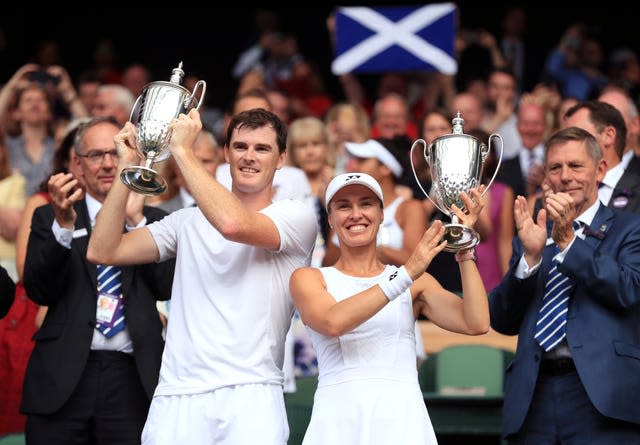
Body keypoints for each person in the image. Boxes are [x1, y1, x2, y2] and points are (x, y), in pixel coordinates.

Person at [87, 108, 317, 444]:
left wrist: (182, 151)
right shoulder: (186, 222)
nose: (249, 157)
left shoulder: (296, 215)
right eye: (240, 147)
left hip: (251, 392)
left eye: (262, 149)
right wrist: (127, 167)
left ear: (281, 158)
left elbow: (232, 225)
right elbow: (104, 251)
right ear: (226, 154)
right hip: (177, 394)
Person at [290, 172, 489, 445]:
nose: (356, 214)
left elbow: (476, 322)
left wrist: (464, 248)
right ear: (331, 219)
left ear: (383, 214)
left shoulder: (415, 282)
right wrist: (405, 274)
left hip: (403, 421)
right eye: (344, 206)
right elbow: (332, 322)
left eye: (366, 204)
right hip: (338, 421)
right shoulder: (310, 278)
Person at [21, 116, 175, 445]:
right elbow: (39, 290)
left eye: (115, 154)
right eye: (95, 155)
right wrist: (63, 227)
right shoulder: (50, 215)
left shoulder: (156, 220)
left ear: (131, 156)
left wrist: (136, 222)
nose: (107, 164)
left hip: (134, 376)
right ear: (77, 163)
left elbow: (165, 287)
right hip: (64, 375)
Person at [489, 126, 640, 444]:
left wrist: (569, 242)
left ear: (600, 170)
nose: (565, 176)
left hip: (601, 398)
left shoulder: (629, 228)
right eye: (555, 167)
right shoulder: (533, 235)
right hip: (534, 396)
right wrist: (529, 258)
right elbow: (502, 319)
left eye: (576, 166)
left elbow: (629, 291)